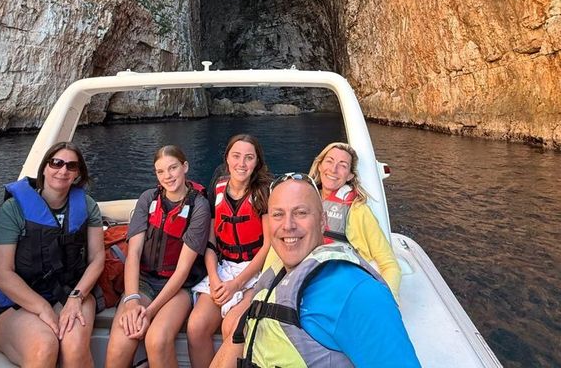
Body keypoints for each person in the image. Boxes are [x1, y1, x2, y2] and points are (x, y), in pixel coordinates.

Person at [213, 173, 420, 368]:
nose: (288, 225)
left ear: (323, 222)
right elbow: (239, 340)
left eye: (300, 213)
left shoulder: (356, 292)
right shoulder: (275, 274)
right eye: (278, 214)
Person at [0, 142, 105, 368]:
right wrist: (42, 308)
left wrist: (76, 297)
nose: (63, 170)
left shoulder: (87, 206)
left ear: (78, 174)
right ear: (44, 168)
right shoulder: (14, 209)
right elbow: (1, 274)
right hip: (20, 303)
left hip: (71, 293)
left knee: (74, 348)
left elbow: (97, 259)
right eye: (56, 163)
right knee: (44, 348)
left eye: (71, 166)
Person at [105, 145, 211, 368]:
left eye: (173, 168)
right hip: (144, 282)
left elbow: (183, 270)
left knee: (157, 340)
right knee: (121, 342)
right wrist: (132, 301)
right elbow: (133, 254)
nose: (167, 176)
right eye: (160, 171)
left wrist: (149, 312)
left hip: (179, 288)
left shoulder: (199, 206)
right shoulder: (148, 199)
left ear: (185, 167)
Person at [187, 135, 272, 368]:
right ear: (227, 158)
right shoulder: (217, 189)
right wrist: (214, 278)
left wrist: (237, 284)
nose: (241, 163)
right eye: (236, 156)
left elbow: (268, 246)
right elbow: (211, 243)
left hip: (255, 272)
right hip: (223, 267)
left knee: (231, 327)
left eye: (249, 158)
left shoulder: (264, 193)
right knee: (195, 327)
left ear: (257, 162)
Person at [310, 142, 402, 299]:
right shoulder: (304, 201)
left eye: (343, 165)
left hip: (341, 289)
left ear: (350, 176)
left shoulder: (358, 211)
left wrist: (385, 301)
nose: (333, 169)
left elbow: (390, 265)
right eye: (329, 161)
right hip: (307, 281)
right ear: (319, 165)